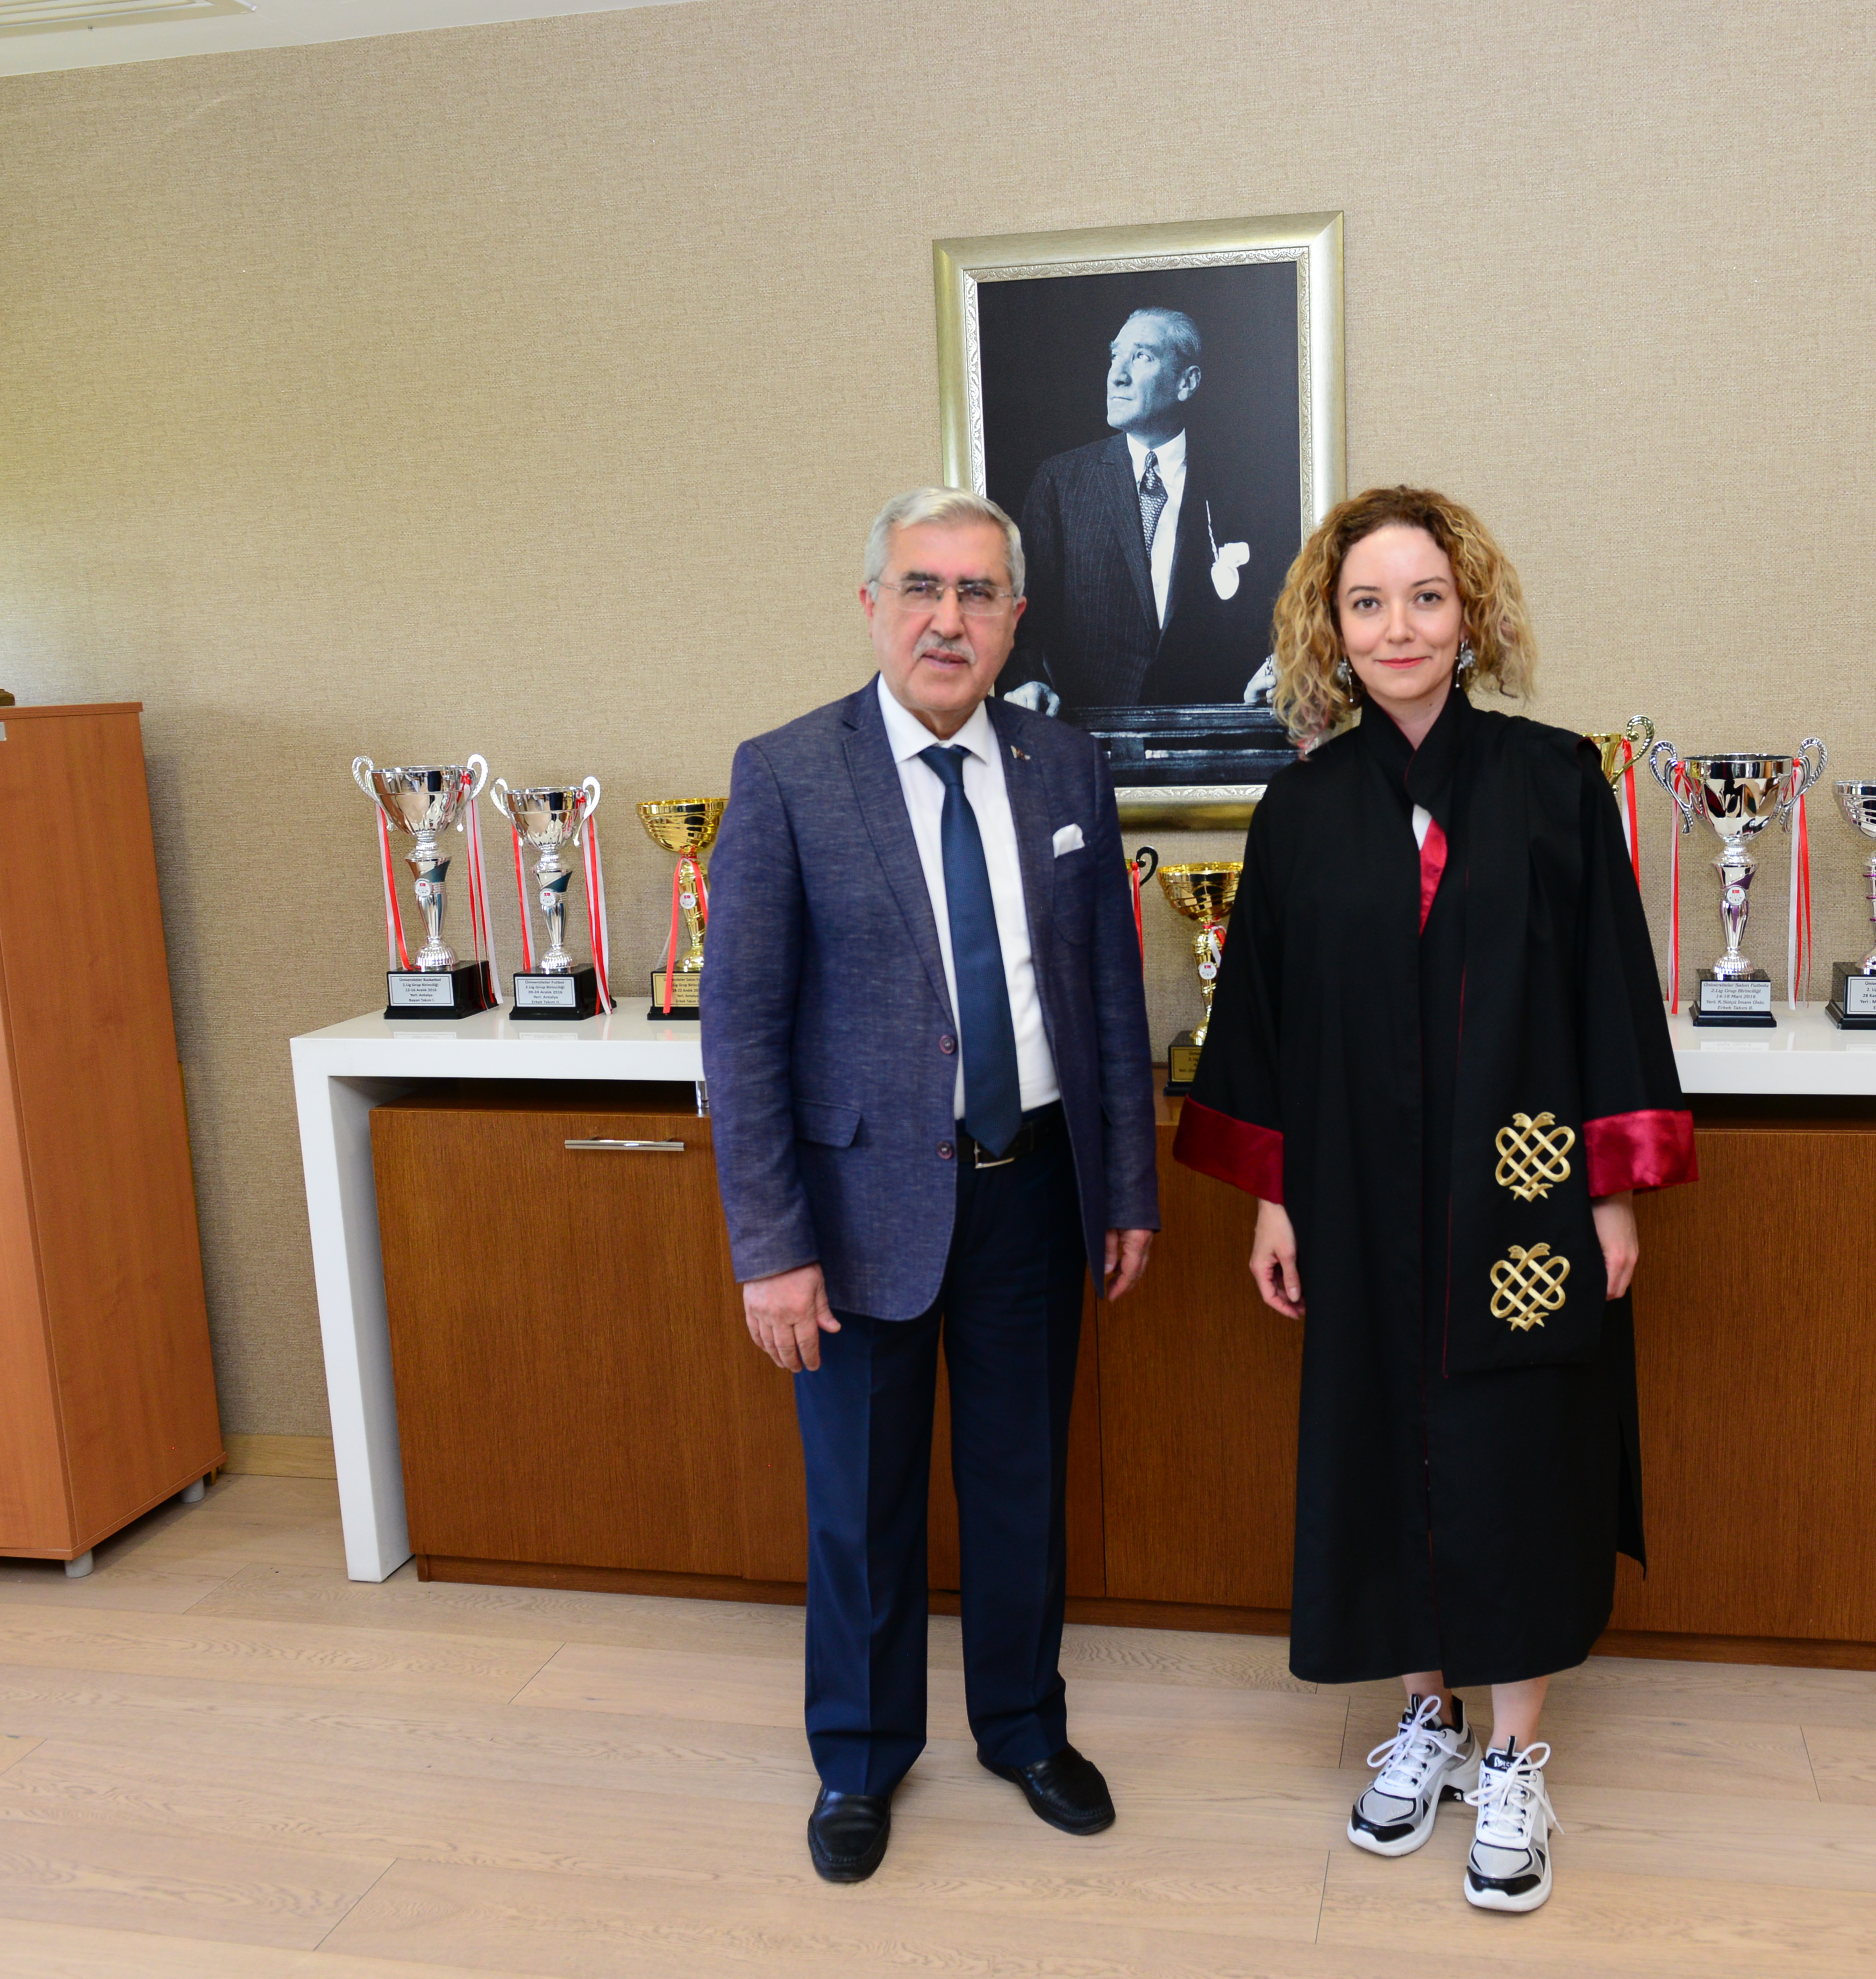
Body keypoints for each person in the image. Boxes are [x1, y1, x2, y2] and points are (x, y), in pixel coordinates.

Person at [1169, 485, 1695, 1915]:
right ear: (1330, 630)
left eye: (1424, 597)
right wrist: (1275, 1198)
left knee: (1518, 1451)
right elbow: (1263, 1020)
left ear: (1471, 617)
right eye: (1367, 603)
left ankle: (1514, 1751)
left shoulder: (1552, 782)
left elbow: (1607, 989)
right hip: (1357, 1196)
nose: (1397, 627)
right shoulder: (1302, 810)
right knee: (1385, 1439)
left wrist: (1613, 1190)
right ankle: (1427, 1715)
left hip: (1523, 1193)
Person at [703, 486, 1162, 1885]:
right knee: (861, 1505)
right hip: (854, 1216)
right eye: (921, 587)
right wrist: (770, 1246)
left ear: (1016, 618)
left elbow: (1108, 995)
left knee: (1023, 1488)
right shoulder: (790, 773)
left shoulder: (1066, 767)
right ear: (872, 607)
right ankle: (858, 1759)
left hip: (1034, 1190)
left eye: (976, 592)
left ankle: (1025, 1729)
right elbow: (742, 1030)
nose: (947, 619)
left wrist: (1126, 1190)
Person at [1003, 307, 1281, 710]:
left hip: (1211, 729)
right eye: (1115, 356)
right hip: (1092, 733)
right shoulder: (1061, 482)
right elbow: (1023, 612)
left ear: (1187, 383)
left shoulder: (1244, 485)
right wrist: (1028, 681)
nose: (1117, 375)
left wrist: (1276, 670)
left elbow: (1279, 606)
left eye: (1142, 356)